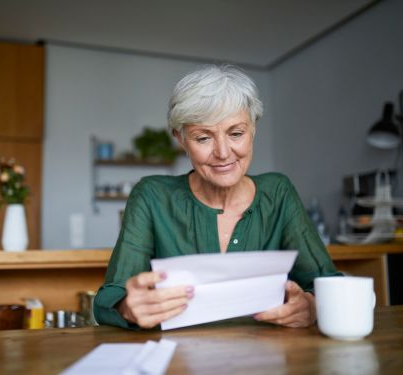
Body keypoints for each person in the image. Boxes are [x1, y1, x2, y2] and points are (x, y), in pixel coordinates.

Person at [94, 65, 341, 330]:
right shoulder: (151, 196)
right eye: (203, 138)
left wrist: (311, 306)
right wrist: (128, 307)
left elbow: (327, 282)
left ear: (253, 129)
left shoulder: (278, 192)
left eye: (236, 133)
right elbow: (109, 297)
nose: (223, 153)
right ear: (180, 138)